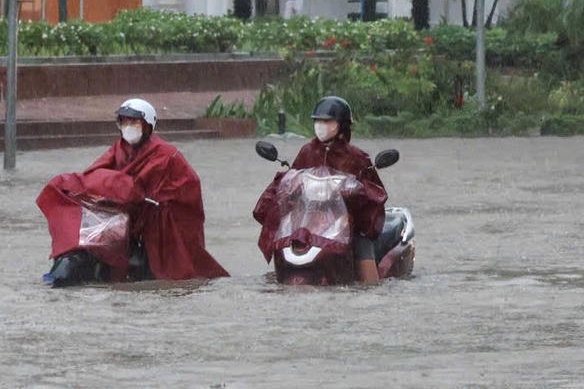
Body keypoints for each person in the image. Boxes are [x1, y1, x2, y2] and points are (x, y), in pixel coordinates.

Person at [38, 98, 229, 284]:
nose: (129, 126)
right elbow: (96, 174)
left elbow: (187, 191)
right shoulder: (119, 148)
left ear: (147, 125)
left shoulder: (167, 155)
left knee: (168, 270)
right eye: (125, 121)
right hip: (123, 215)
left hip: (157, 222)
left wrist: (152, 199)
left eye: (135, 121)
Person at [252, 95, 387, 283]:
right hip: (310, 222)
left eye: (327, 121)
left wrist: (356, 192)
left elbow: (373, 193)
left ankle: (372, 288)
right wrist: (288, 186)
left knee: (362, 244)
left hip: (344, 223)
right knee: (284, 245)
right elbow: (292, 179)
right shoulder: (307, 151)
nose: (321, 125)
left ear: (342, 125)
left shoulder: (357, 157)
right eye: (318, 121)